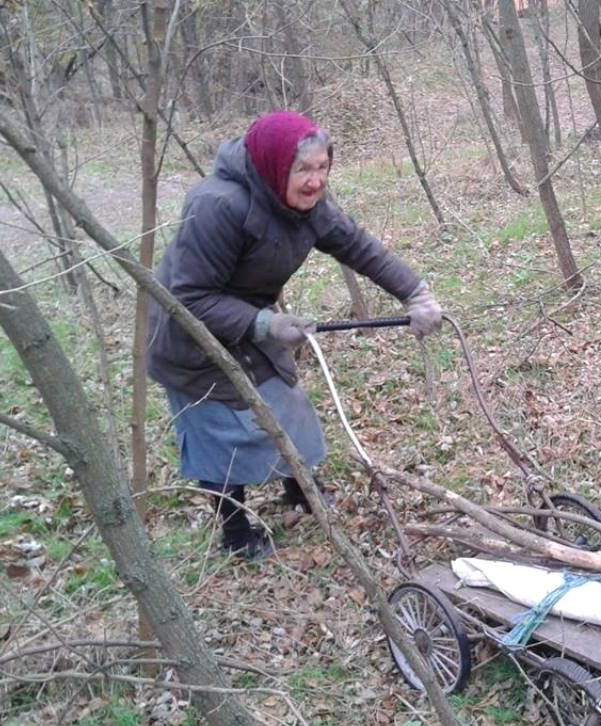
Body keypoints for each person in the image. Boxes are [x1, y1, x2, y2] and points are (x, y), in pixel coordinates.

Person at [148, 110, 441, 561]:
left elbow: (358, 245)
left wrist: (415, 293)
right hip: (192, 340)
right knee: (220, 434)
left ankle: (298, 488)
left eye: (322, 167)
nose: (315, 180)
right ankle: (235, 527)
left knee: (287, 408)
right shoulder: (218, 206)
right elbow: (188, 297)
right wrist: (264, 324)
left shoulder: (305, 207)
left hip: (250, 324)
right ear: (273, 166)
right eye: (302, 169)